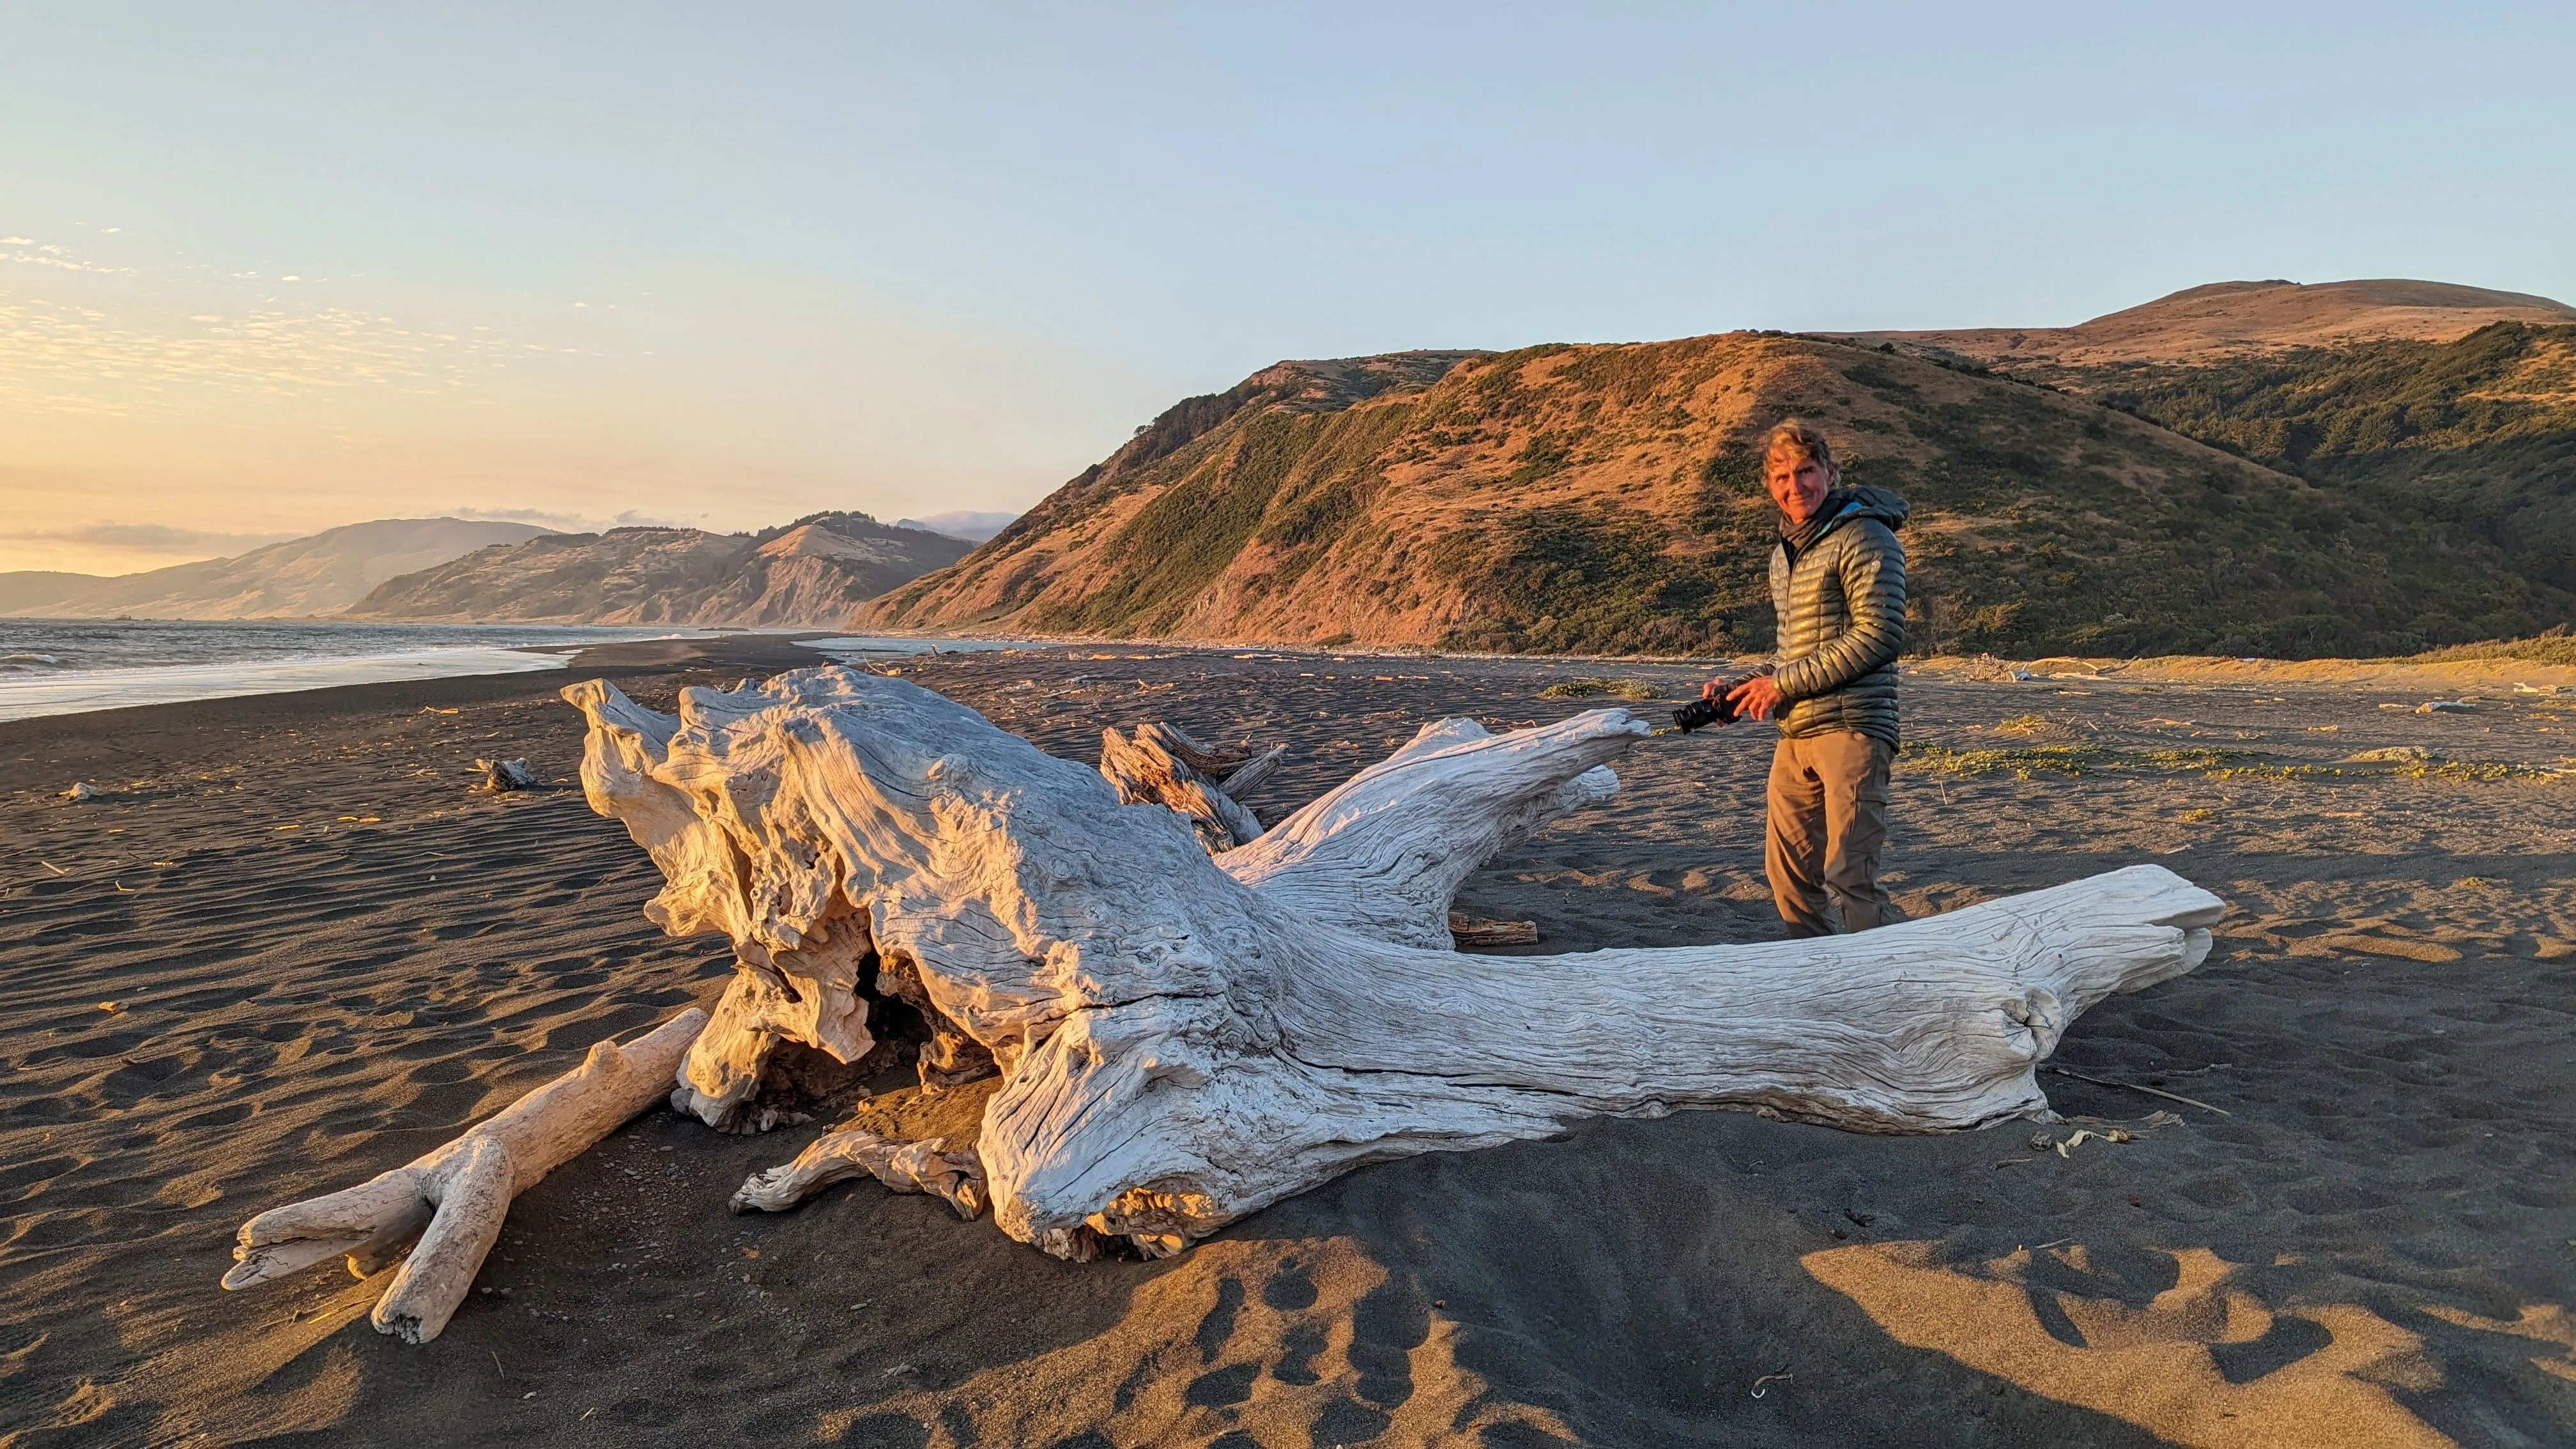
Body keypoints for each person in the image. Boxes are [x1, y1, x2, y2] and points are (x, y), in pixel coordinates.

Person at [1705, 420, 1910, 937]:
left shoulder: (1865, 534)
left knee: (1850, 877)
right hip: (1796, 731)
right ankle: (1820, 983)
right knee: (1789, 878)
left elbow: (1880, 634)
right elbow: (1793, 653)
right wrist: (1745, 690)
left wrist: (1783, 684)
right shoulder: (1787, 552)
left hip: (1855, 729)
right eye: (1781, 477)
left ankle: (1885, 989)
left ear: (1830, 473)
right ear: (1768, 485)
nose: (1794, 486)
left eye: (1806, 472)